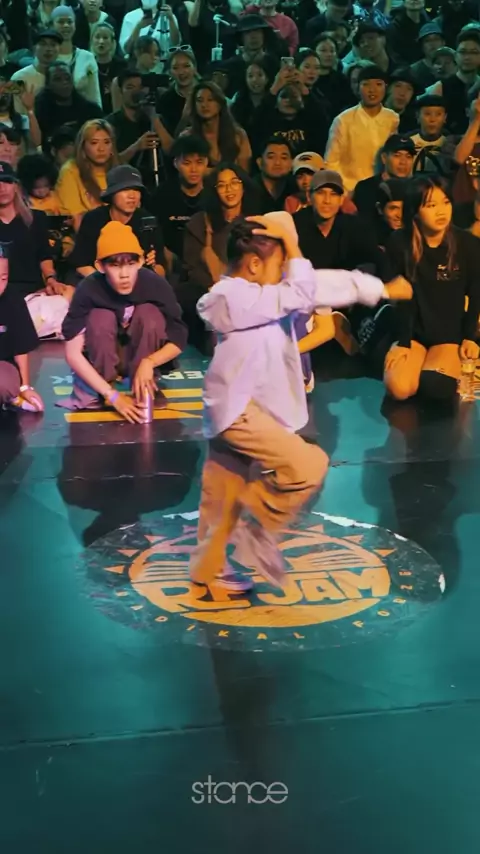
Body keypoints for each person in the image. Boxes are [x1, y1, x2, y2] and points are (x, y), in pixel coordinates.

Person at [189, 212, 412, 589]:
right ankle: (257, 529)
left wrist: (381, 289)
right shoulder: (229, 297)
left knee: (221, 493)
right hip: (238, 410)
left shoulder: (267, 292)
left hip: (249, 408)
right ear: (254, 264)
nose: (286, 271)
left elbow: (321, 284)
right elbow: (301, 291)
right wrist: (291, 244)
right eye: (281, 263)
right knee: (308, 465)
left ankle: (206, 568)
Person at [61, 220, 188, 416]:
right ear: (100, 266)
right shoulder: (89, 289)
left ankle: (144, 386)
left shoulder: (155, 284)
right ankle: (104, 388)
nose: (124, 275)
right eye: (115, 265)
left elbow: (179, 337)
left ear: (141, 262)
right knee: (100, 317)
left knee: (149, 313)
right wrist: (111, 395)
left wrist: (149, 362)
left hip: (141, 356)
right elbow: (72, 354)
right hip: (102, 359)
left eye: (130, 264)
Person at [384, 174, 480, 403]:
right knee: (399, 388)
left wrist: (470, 338)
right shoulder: (399, 243)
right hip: (414, 333)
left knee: (435, 387)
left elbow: (477, 292)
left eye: (445, 202)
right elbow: (401, 298)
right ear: (415, 210)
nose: (441, 211)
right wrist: (403, 342)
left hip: (449, 334)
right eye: (431, 205)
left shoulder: (467, 244)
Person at [178, 163, 260, 348]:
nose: (229, 189)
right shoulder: (199, 223)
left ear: (243, 186)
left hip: (245, 291)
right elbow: (192, 268)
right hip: (207, 290)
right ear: (214, 191)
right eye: (222, 185)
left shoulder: (254, 223)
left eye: (234, 183)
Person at [69, 165, 166, 279]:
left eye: (136, 190)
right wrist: (107, 284)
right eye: (125, 189)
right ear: (112, 193)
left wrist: (152, 267)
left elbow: (162, 270)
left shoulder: (147, 221)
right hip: (98, 281)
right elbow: (81, 265)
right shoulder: (94, 219)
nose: (132, 196)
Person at [325, 64, 399, 193]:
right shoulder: (343, 120)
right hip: (350, 190)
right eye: (366, 84)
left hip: (383, 189)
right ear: (358, 88)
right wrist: (343, 193)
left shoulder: (392, 118)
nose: (372, 90)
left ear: (386, 88)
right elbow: (331, 162)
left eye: (378, 84)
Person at [0, 244, 44, 413]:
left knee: (4, 384)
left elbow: (21, 348)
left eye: (3, 279)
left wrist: (25, 387)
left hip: (3, 364)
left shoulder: (13, 300)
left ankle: (11, 397)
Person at [151, 133, 209, 260]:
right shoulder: (162, 195)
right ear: (176, 163)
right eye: (187, 163)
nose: (194, 169)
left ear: (206, 163)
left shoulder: (214, 194)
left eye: (199, 162)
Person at [55, 119, 119, 229]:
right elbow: (75, 218)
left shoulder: (119, 171)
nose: (101, 149)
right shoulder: (70, 171)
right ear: (83, 146)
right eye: (94, 143)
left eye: (107, 142)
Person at [180, 81, 252, 172]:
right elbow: (186, 173)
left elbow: (244, 173)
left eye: (210, 99)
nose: (204, 105)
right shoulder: (187, 137)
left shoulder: (238, 135)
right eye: (199, 100)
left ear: (220, 104)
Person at [34, 61, 103, 148]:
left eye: (67, 78)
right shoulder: (41, 113)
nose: (64, 82)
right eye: (57, 79)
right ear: (48, 85)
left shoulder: (91, 109)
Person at [353, 134, 415, 221]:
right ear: (384, 158)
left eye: (408, 157)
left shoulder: (417, 189)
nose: (403, 162)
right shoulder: (366, 188)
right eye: (397, 155)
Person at [51, 5, 102, 107]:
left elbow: (94, 95)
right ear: (52, 25)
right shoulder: (48, 57)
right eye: (61, 22)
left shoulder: (87, 58)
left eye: (70, 22)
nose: (66, 25)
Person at [254, 136, 294, 213]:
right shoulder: (248, 190)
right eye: (271, 157)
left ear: (291, 163)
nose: (277, 163)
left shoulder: (296, 189)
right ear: (259, 162)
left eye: (284, 158)